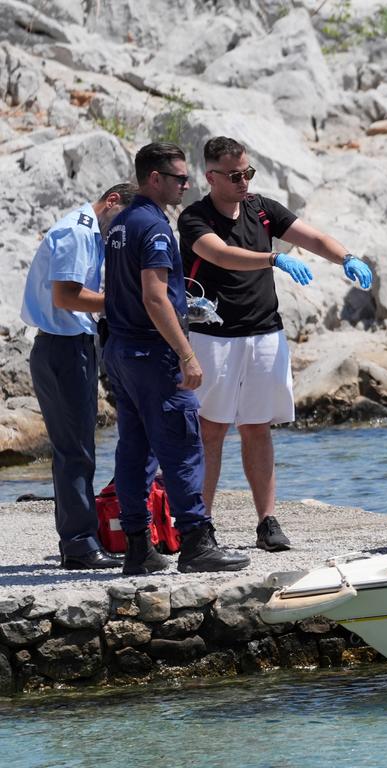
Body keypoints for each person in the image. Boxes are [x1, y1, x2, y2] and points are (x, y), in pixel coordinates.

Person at [178, 136, 373, 552]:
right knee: (210, 431)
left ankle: (267, 522)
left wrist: (347, 258)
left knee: (258, 427)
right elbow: (221, 254)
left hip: (265, 332)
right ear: (211, 177)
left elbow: (312, 237)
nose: (244, 181)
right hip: (214, 337)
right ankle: (200, 525)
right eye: (234, 176)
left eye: (248, 172)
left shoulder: (262, 209)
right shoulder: (194, 217)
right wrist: (273, 259)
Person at [103, 142, 250, 575]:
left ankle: (136, 547)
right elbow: (153, 295)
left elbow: (119, 289)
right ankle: (196, 544)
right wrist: (187, 354)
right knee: (184, 447)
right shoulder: (154, 227)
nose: (187, 185)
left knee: (133, 449)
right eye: (180, 178)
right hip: (154, 355)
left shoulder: (119, 224)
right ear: (154, 179)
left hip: (121, 351)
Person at [21, 183, 135, 569]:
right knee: (75, 451)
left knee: (79, 447)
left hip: (71, 344)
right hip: (62, 346)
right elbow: (66, 296)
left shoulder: (86, 229)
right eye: (123, 219)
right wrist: (126, 300)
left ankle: (81, 538)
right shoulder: (79, 231)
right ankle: (80, 544)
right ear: (113, 201)